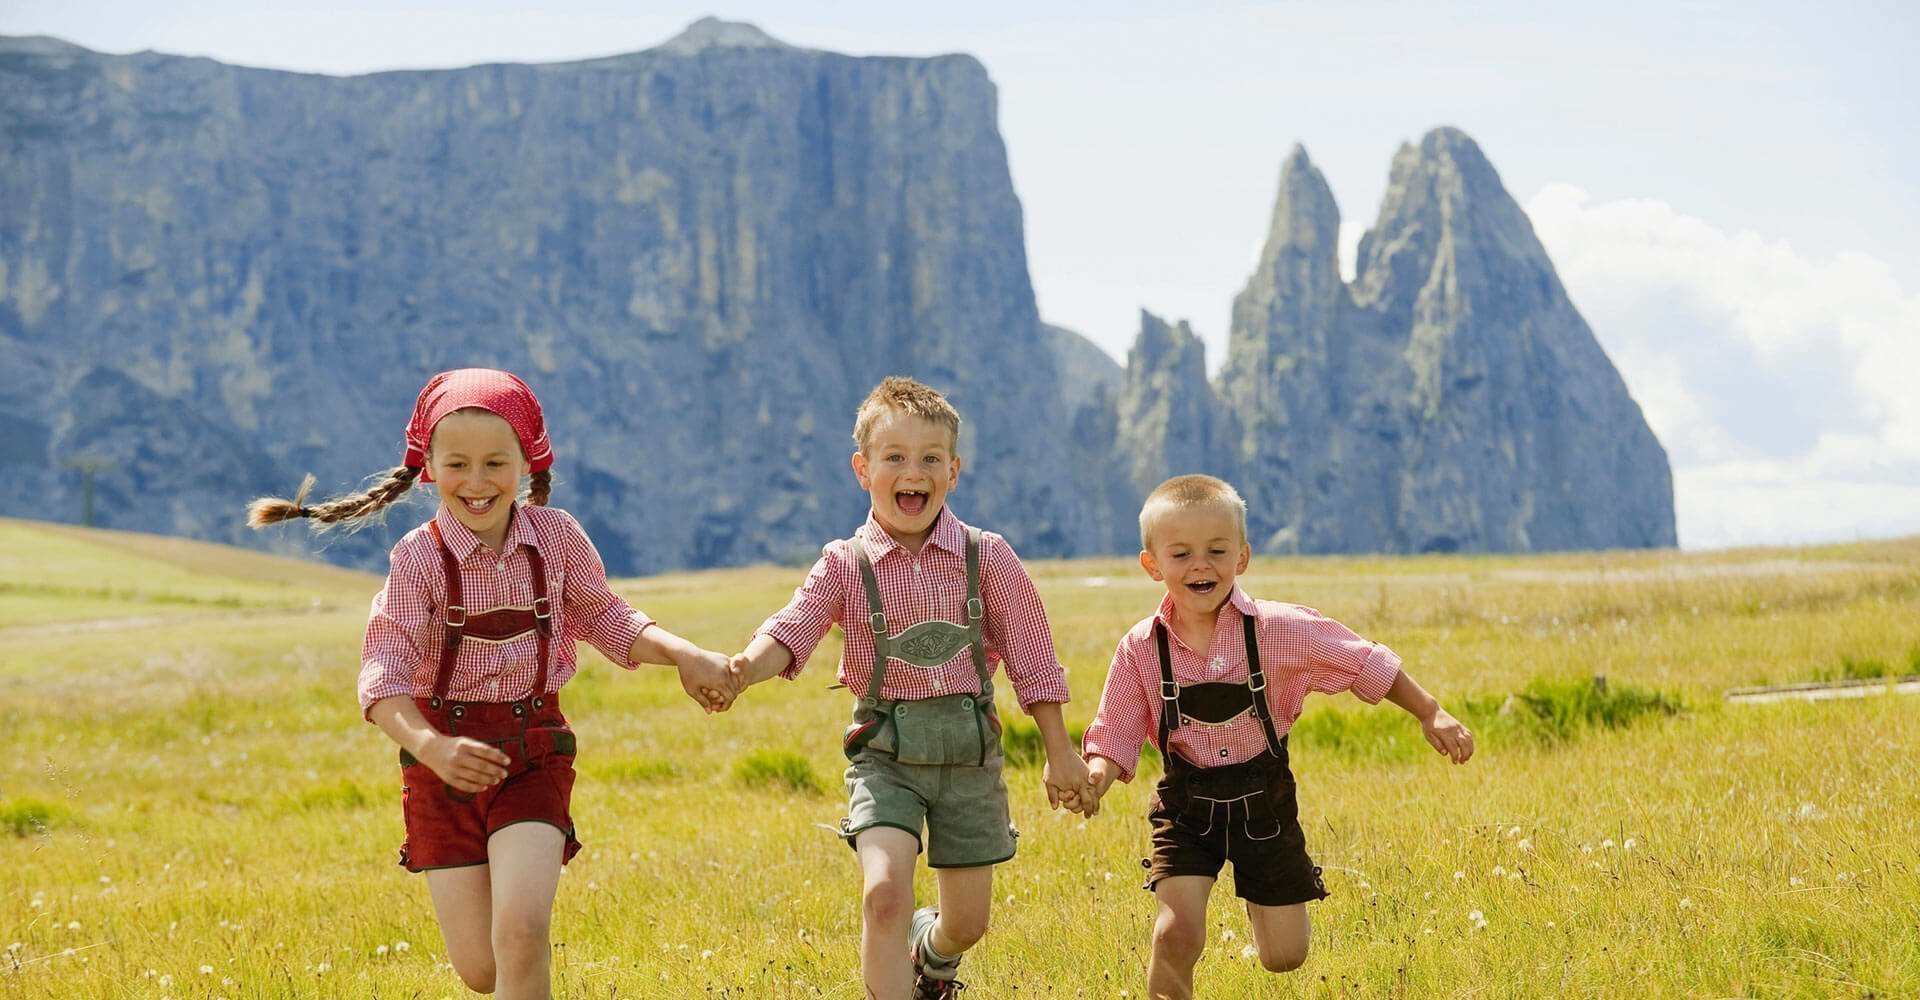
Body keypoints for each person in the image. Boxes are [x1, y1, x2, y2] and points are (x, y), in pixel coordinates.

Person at [248, 368, 734, 998]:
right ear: (428, 468)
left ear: (526, 463)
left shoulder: (555, 540)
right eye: (457, 465)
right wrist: (433, 748)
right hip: (442, 765)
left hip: (533, 752)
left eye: (495, 464)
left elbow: (610, 619)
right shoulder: (418, 562)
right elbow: (382, 678)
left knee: (523, 935)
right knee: (483, 970)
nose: (476, 483)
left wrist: (685, 654)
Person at [725, 376, 1092, 999]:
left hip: (970, 756)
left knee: (968, 922)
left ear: (953, 469)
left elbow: (1034, 657)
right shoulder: (845, 562)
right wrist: (740, 670)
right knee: (884, 892)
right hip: (884, 756)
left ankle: (934, 953)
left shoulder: (990, 557)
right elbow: (793, 630)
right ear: (863, 469)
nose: (911, 471)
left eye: (928, 459)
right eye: (894, 457)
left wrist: (1061, 752)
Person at [1079, 474, 1474, 1000]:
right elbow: (1117, 728)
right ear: (1153, 564)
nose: (1201, 564)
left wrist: (1431, 712)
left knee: (1285, 956)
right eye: (1181, 554)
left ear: (1241, 557)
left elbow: (1363, 662)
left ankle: (1264, 894)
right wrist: (1097, 775)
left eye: (1217, 550)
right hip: (1186, 807)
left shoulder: (1282, 629)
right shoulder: (1141, 647)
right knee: (1177, 932)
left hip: (1264, 803)